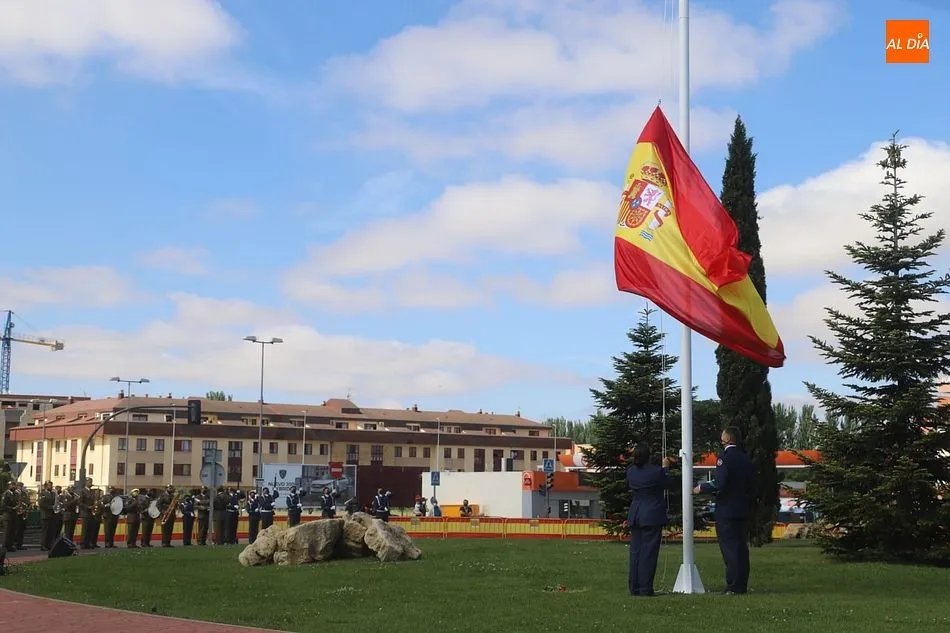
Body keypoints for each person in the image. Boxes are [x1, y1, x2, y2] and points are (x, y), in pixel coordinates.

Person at [694, 426, 756, 595]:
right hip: (742, 509)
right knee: (741, 548)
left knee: (730, 549)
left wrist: (702, 487)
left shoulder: (725, 457)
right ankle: (741, 584)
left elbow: (720, 483)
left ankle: (733, 586)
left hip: (727, 509)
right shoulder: (745, 458)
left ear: (728, 438)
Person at [626, 443, 676, 597]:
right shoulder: (656, 471)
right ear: (648, 455)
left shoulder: (631, 471)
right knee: (649, 552)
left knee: (636, 552)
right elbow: (668, 483)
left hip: (636, 512)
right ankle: (645, 588)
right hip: (651, 513)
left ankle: (634, 587)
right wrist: (666, 467)